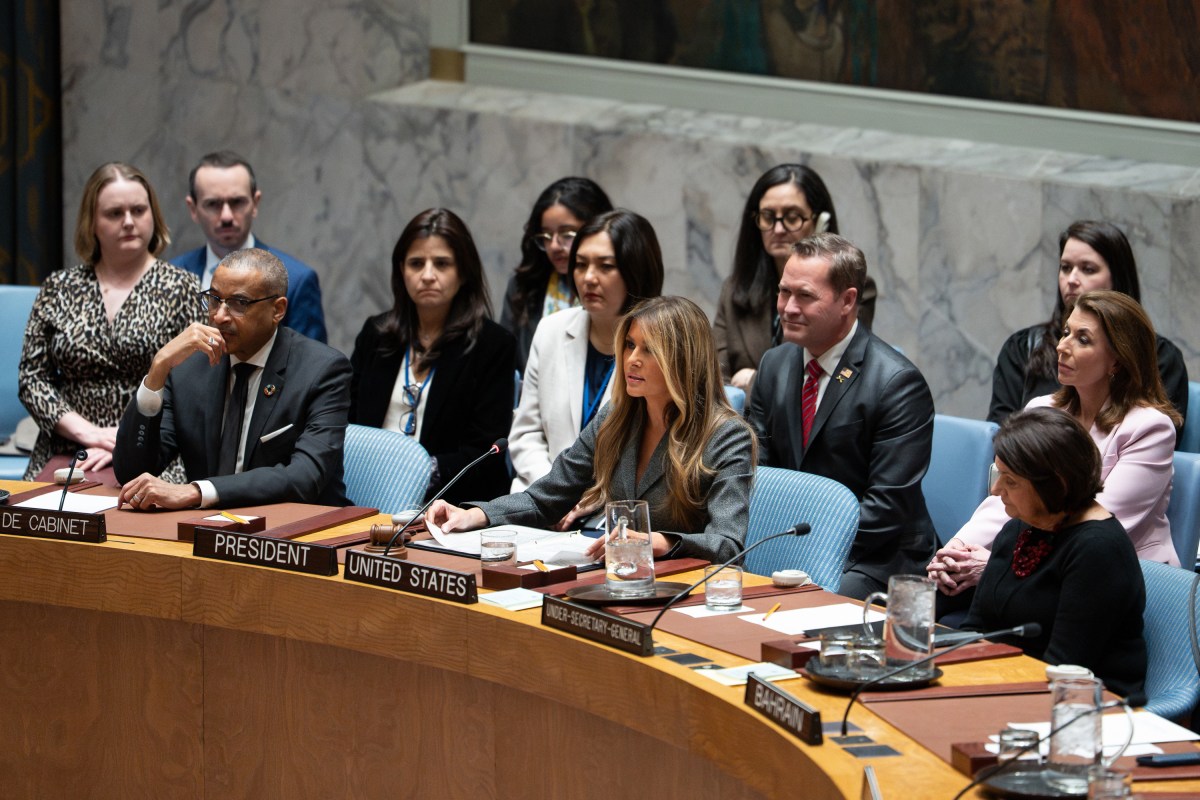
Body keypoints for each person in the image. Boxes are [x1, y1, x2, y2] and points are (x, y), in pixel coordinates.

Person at [427, 296, 756, 564]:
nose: (631, 360)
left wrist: (659, 541)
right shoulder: (616, 418)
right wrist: (477, 515)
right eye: (629, 345)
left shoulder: (725, 436)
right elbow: (547, 498)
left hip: (681, 589)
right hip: (616, 577)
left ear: (684, 360)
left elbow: (728, 545)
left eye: (649, 350)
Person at [929, 291, 1181, 606]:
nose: (1062, 347)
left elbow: (1097, 525)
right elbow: (1004, 497)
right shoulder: (1041, 409)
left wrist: (997, 563)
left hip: (1118, 581)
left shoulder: (1149, 428)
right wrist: (956, 550)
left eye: (1083, 339)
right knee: (940, 591)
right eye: (1065, 333)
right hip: (1034, 566)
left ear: (1117, 359)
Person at [747, 233, 936, 599]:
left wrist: (803, 548)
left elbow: (885, 508)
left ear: (848, 300)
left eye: (804, 296)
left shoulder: (897, 383)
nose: (787, 307)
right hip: (785, 542)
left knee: (803, 609)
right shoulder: (774, 364)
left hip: (873, 556)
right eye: (784, 292)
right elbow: (757, 470)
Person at [113, 248, 351, 509]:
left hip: (299, 532)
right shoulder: (189, 370)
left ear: (278, 309)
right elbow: (131, 473)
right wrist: (157, 370)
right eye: (214, 299)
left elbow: (304, 477)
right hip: (208, 530)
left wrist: (197, 492)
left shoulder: (322, 371)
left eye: (239, 303)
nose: (219, 316)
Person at [19, 162, 201, 480]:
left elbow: (198, 384)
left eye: (139, 210)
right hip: (69, 446)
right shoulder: (59, 287)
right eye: (114, 213)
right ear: (92, 223)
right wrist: (90, 434)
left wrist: (126, 439)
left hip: (156, 448)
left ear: (153, 217)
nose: (129, 222)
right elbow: (32, 379)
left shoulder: (183, 287)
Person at [961, 407, 1146, 699]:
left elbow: (1064, 667)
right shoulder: (1019, 528)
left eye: (1011, 481)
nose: (996, 490)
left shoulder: (1098, 550)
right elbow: (975, 629)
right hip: (1004, 684)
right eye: (998, 474)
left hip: (1084, 706)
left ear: (1056, 485)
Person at [349, 209, 515, 505]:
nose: (427, 275)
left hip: (452, 504)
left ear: (463, 272)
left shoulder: (493, 345)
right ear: (401, 270)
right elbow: (346, 425)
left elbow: (485, 450)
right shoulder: (376, 335)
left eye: (441, 264)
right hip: (364, 496)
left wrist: (413, 475)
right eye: (416, 264)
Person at [508, 209, 664, 491]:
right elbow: (526, 434)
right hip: (537, 501)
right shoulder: (551, 331)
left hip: (616, 513)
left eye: (605, 266)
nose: (589, 278)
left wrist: (582, 501)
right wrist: (553, 494)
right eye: (580, 265)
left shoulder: (665, 346)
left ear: (636, 271)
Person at [988, 219, 1187, 426]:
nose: (1071, 279)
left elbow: (1158, 439)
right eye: (1065, 267)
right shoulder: (1023, 347)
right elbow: (1003, 435)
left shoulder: (1159, 357)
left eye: (1088, 269)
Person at [714, 164, 877, 393]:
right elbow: (716, 384)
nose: (778, 229)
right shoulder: (734, 289)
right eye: (768, 217)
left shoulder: (852, 289)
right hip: (744, 425)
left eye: (792, 217)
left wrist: (753, 383)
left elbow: (824, 382)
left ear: (821, 222)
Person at [172, 151, 328, 342]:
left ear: (255, 203)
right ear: (193, 209)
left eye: (237, 202)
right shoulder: (173, 276)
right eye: (213, 204)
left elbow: (312, 366)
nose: (227, 216)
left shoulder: (296, 280)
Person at [500, 176, 613, 373]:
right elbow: (505, 362)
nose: (554, 246)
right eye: (546, 235)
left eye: (567, 234)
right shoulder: (524, 286)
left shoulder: (615, 285)